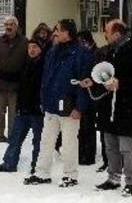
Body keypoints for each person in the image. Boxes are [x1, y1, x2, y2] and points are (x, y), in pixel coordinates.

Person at [85, 20, 132, 197]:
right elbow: (105, 73)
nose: (104, 34)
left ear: (117, 34)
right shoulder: (109, 50)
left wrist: (121, 84)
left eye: (106, 31)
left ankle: (131, 182)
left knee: (126, 147)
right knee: (110, 145)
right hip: (108, 104)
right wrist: (95, 81)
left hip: (126, 105)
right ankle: (113, 178)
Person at [24, 19, 91, 188]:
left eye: (58, 30)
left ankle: (70, 175)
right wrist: (44, 100)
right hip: (51, 104)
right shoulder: (52, 51)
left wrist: (79, 107)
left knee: (69, 143)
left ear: (67, 33)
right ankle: (42, 173)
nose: (55, 33)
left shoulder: (81, 53)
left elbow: (85, 82)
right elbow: (46, 78)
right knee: (46, 141)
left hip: (70, 107)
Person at [0, 39, 45, 174]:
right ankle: (9, 163)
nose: (32, 50)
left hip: (37, 111)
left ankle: (37, 165)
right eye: (29, 48)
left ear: (41, 49)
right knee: (15, 138)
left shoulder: (45, 65)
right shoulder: (26, 63)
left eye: (35, 47)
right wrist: (0, 72)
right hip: (23, 109)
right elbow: (14, 76)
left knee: (38, 141)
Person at [0, 16, 27, 143]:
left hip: (16, 85)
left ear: (16, 26)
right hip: (0, 84)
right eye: (6, 24)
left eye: (12, 24)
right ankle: (0, 136)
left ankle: (12, 136)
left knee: (14, 114)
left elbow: (26, 61)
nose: (8, 26)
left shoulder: (24, 42)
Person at [76, 30, 99, 166]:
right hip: (80, 91)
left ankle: (89, 155)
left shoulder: (96, 53)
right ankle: (80, 153)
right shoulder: (80, 53)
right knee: (80, 127)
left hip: (91, 93)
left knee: (89, 126)